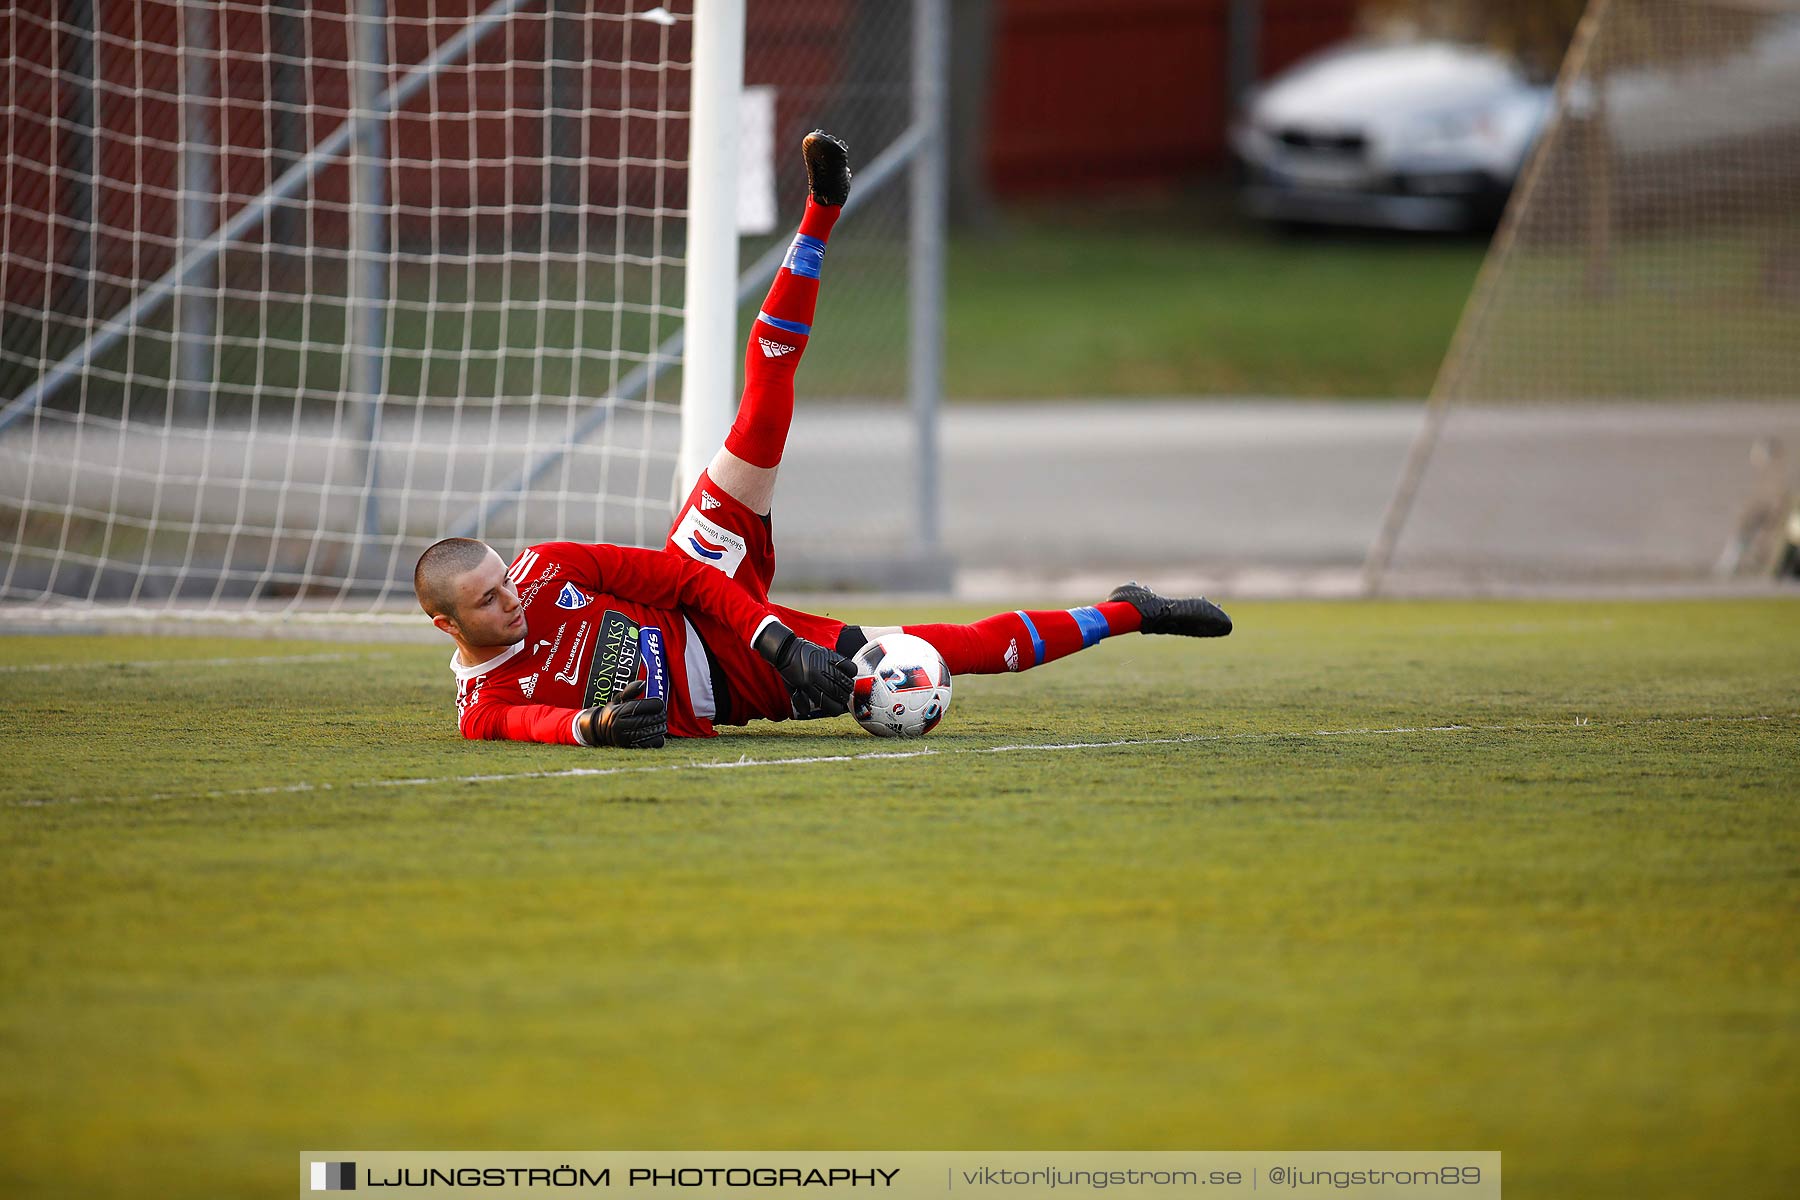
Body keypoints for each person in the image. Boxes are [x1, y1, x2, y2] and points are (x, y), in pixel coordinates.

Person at [414, 132, 1232, 749]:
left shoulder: (550, 567)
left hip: (710, 590)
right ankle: (1131, 612)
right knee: (944, 653)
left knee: (761, 416)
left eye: (502, 576)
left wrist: (768, 632)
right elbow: (522, 724)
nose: (511, 594)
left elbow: (682, 582)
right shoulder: (481, 704)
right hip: (738, 683)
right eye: (487, 598)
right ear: (449, 627)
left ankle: (819, 212)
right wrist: (594, 727)